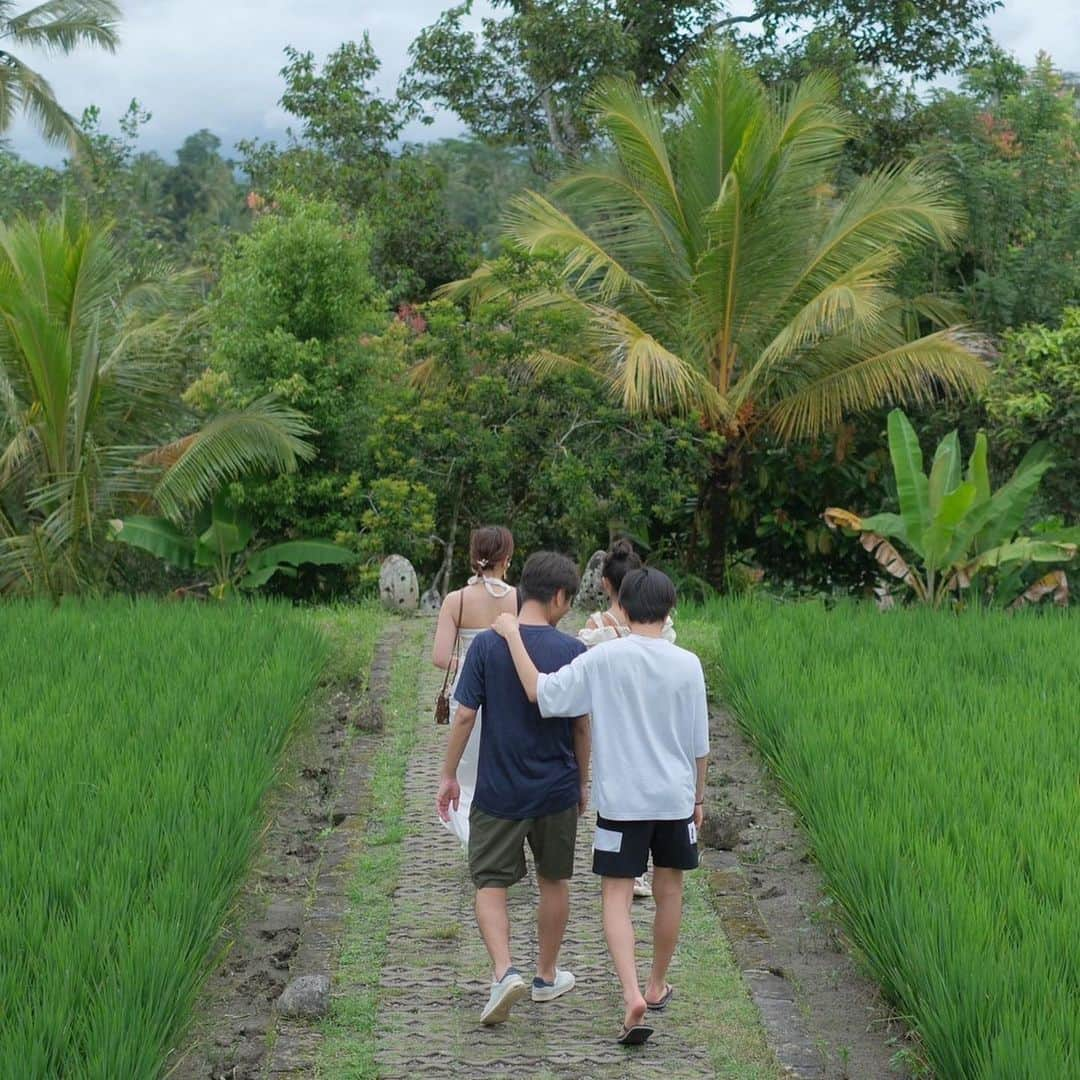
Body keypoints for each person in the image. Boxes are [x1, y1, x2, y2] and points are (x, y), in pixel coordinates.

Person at [492, 567, 708, 1046]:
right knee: (670, 890)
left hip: (622, 802)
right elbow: (700, 745)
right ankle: (656, 984)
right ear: (670, 610)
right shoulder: (688, 663)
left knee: (616, 898)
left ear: (623, 609)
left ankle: (630, 992)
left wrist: (511, 635)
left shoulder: (603, 657)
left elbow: (540, 692)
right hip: (674, 799)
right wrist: (697, 798)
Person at [436, 552, 590, 1026]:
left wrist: (447, 774)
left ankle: (505, 972)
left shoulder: (486, 646)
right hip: (555, 789)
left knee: (490, 883)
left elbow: (464, 715)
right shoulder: (573, 651)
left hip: (499, 788)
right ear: (560, 597)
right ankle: (545, 976)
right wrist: (582, 783)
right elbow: (582, 728)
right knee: (554, 880)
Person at [577, 538, 675, 900]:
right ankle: (641, 871)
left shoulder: (596, 625)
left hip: (612, 721)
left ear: (605, 583)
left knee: (614, 787)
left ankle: (622, 863)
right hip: (654, 717)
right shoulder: (660, 626)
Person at [432, 525, 518, 848]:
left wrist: (469, 665)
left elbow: (440, 656)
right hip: (509, 693)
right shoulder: (517, 598)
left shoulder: (457, 600)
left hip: (466, 694)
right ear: (506, 559)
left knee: (467, 772)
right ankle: (503, 840)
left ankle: (478, 841)